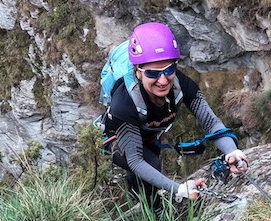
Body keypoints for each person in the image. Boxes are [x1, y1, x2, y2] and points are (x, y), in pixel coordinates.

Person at [103, 22, 248, 210]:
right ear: (138, 71)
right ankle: (151, 213)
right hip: (117, 139)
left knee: (150, 166)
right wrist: (178, 189)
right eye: (153, 73)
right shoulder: (124, 102)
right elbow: (135, 160)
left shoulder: (182, 84)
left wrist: (231, 151)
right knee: (150, 164)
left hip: (150, 135)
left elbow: (210, 122)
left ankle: (145, 200)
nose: (163, 80)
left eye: (169, 70)